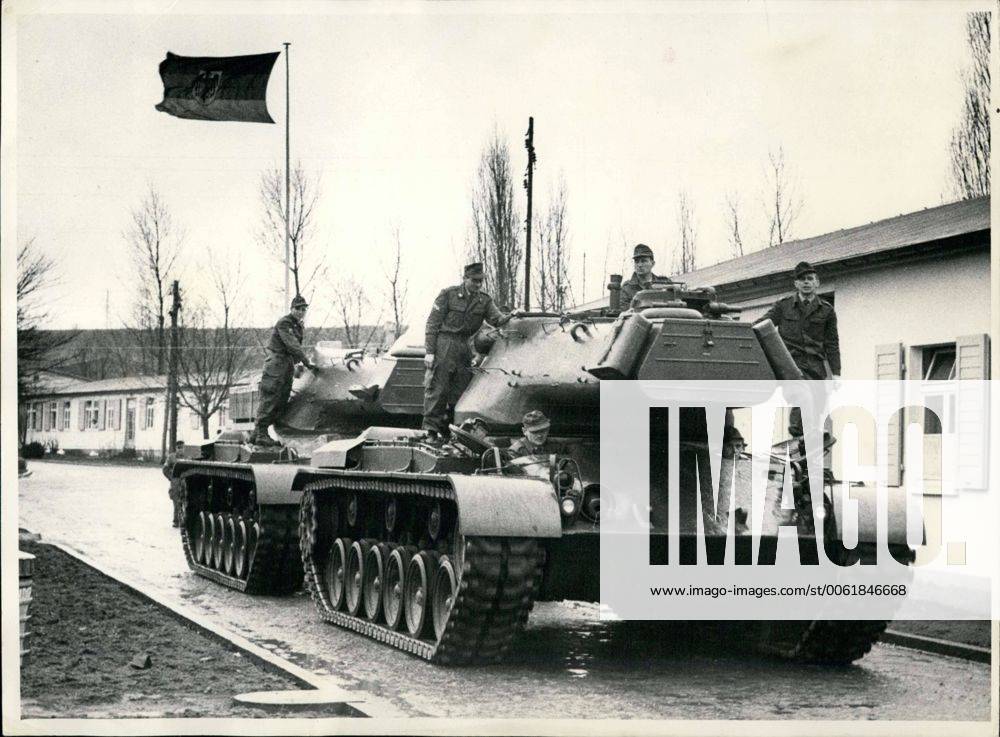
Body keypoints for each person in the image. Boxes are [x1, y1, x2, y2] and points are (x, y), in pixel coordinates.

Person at [423, 263, 517, 440]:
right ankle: (431, 431)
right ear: (465, 278)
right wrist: (430, 351)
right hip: (445, 342)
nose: (478, 285)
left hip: (465, 346)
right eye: (474, 281)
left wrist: (513, 317)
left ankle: (452, 429)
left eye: (481, 281)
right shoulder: (448, 295)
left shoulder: (484, 300)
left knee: (462, 389)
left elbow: (497, 319)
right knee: (438, 388)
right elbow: (432, 323)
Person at [758, 261, 840, 437]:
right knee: (803, 397)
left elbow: (832, 343)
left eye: (810, 279)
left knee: (816, 404)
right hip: (791, 365)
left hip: (816, 367)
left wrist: (836, 373)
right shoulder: (784, 306)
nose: (806, 282)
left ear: (817, 282)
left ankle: (803, 441)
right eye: (802, 279)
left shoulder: (826, 311)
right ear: (796, 284)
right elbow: (762, 325)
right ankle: (803, 433)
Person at [253, 295, 315, 446]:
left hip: (286, 363)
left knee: (282, 398)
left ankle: (258, 434)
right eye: (298, 308)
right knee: (271, 397)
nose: (301, 312)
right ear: (292, 309)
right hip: (276, 362)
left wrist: (298, 364)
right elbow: (292, 345)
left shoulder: (297, 325)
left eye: (303, 309)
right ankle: (261, 433)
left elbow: (294, 349)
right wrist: (307, 362)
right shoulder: (285, 323)